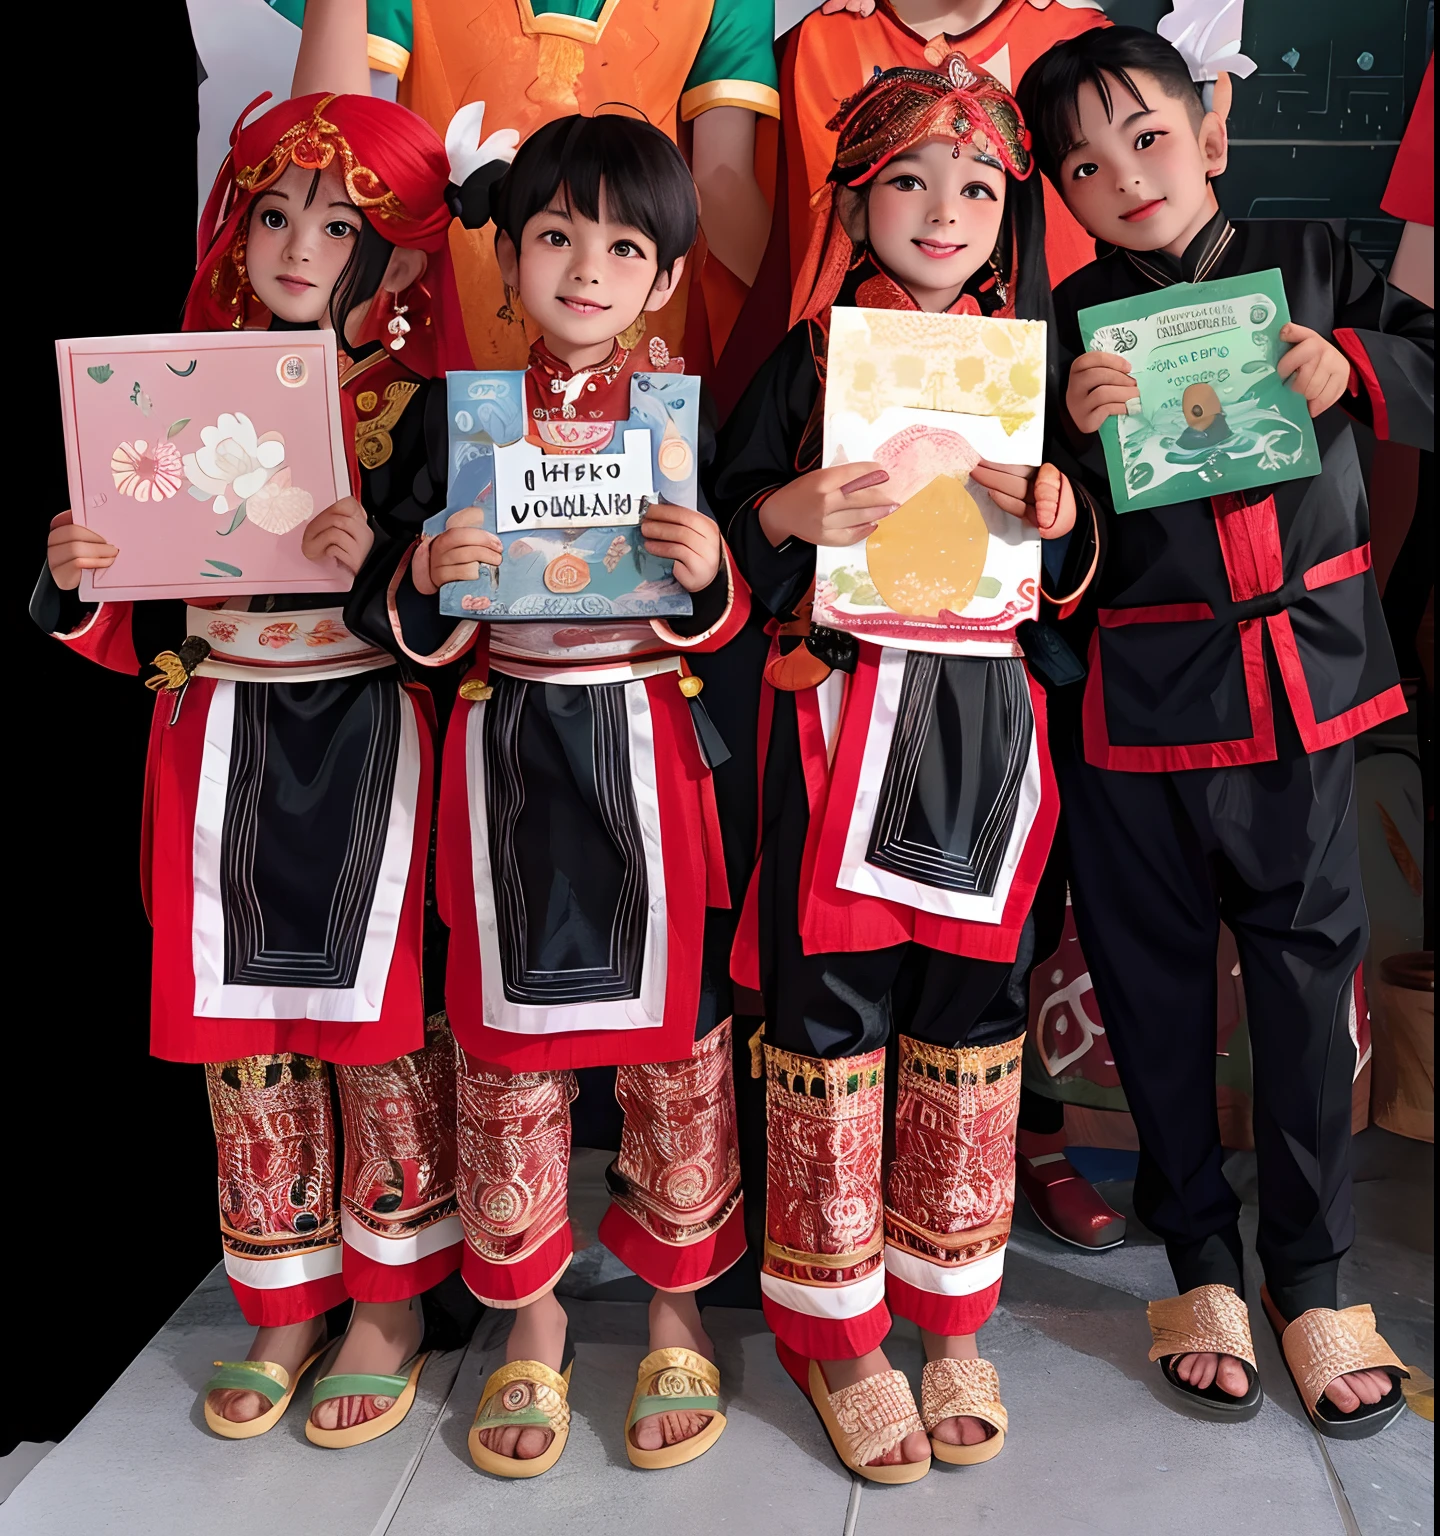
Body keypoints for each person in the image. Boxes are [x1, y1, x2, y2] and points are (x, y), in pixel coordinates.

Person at [32, 14, 511, 1449]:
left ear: (409, 262)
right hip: (219, 731)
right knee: (244, 1026)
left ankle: (388, 1297)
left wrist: (391, 564)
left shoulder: (432, 418)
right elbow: (131, 613)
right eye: (276, 213)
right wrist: (77, 568)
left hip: (368, 732)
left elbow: (467, 620)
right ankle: (282, 1295)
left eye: (340, 224)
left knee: (370, 1015)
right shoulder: (169, 402)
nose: (300, 246)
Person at [1017, 25, 1433, 1438]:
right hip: (1138, 708)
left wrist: (1358, 368)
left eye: (1145, 135)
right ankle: (1198, 1258)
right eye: (1083, 163)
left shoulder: (1320, 258)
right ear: (1062, 196)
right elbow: (1034, 559)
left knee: (1312, 994)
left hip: (1307, 694)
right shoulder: (1064, 330)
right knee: (1152, 991)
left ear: (1211, 130)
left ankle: (1313, 1277)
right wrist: (1068, 456)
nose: (1122, 176)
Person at [708, 53, 1095, 1482]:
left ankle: (949, 1317)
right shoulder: (806, 363)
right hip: (841, 724)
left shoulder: (1029, 370)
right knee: (832, 1014)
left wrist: (1060, 506)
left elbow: (1077, 563)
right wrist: (784, 510)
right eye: (911, 182)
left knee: (974, 1011)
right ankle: (837, 1333)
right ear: (855, 202)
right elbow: (721, 540)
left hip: (989, 729)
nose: (945, 210)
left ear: (1014, 211)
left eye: (979, 185)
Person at [384, 111, 753, 1476]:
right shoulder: (459, 421)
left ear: (664, 279)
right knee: (507, 1035)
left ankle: (674, 1302)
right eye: (554, 237)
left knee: (674, 1040)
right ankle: (529, 1315)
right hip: (507, 749)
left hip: (648, 740)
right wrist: (428, 580)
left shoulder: (681, 424)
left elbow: (732, 618)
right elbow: (414, 631)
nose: (584, 269)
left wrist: (710, 569)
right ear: (509, 258)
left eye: (621, 245)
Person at [270, 0, 781, 372]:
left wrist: (819, 343)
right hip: (436, 302)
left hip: (629, 317)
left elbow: (722, 184)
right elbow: (334, 144)